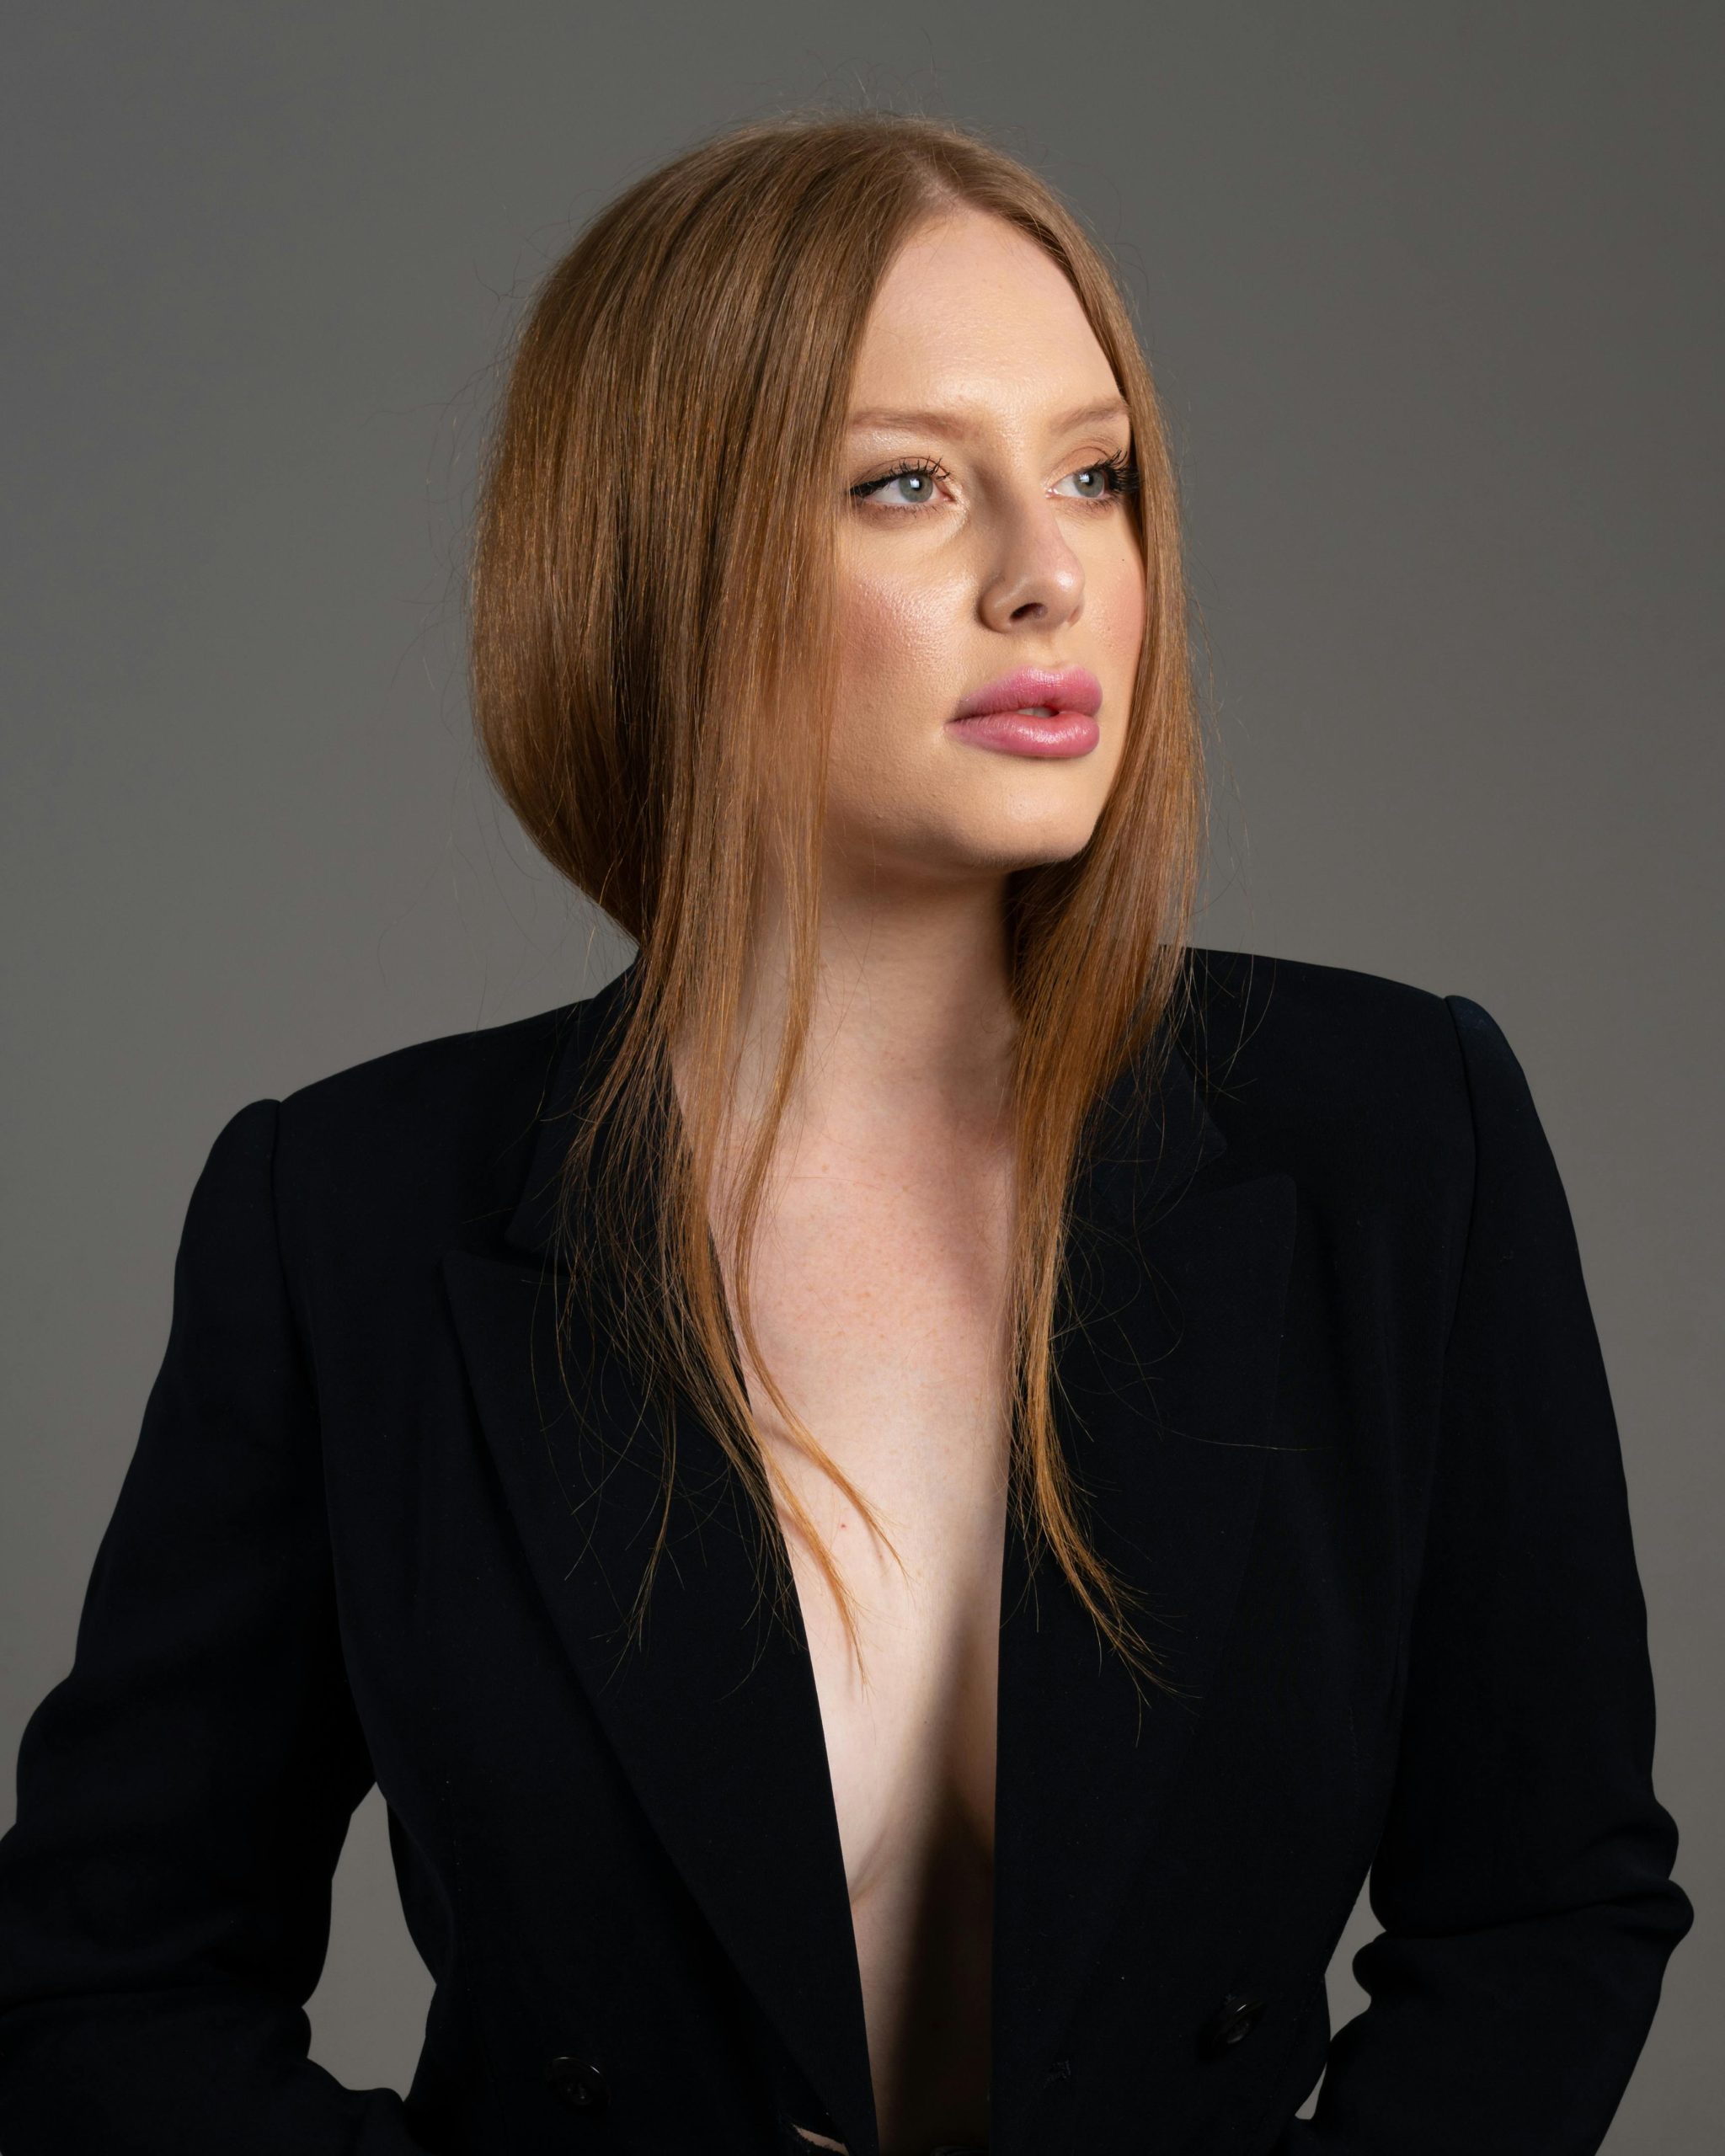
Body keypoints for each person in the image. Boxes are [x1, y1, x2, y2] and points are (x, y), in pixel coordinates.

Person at [0, 108, 1692, 2156]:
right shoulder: (347, 1211)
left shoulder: (1396, 1133)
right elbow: (109, 1986)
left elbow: (1543, 1912)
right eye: (909, 483)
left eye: (1095, 473)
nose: (1048, 575)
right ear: (666, 557)